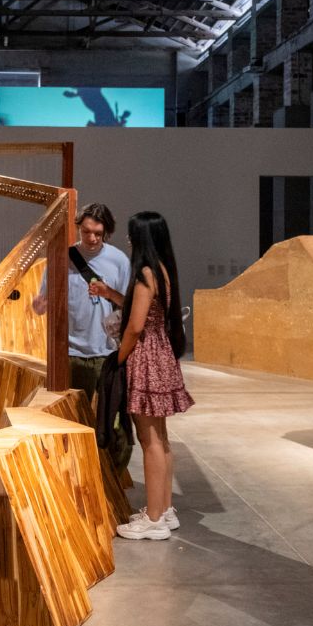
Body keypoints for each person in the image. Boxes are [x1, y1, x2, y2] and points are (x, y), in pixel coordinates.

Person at [112, 211, 194, 541]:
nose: (129, 240)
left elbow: (134, 326)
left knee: (149, 441)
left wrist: (118, 358)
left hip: (146, 359)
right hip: (162, 356)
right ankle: (165, 509)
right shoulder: (163, 269)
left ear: (143, 238)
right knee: (160, 437)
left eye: (132, 235)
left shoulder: (145, 273)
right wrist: (112, 296)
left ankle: (154, 519)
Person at [32, 202, 131, 400]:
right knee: (74, 417)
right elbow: (42, 304)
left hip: (108, 351)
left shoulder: (118, 260)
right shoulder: (61, 259)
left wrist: (109, 293)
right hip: (70, 353)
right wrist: (39, 306)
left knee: (108, 419)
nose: (92, 238)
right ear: (78, 228)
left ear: (106, 232)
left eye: (98, 233)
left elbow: (129, 305)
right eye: (86, 232)